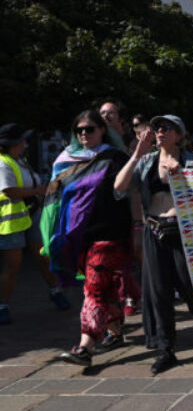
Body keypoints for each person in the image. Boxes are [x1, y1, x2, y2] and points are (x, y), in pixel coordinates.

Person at [114, 114, 193, 374]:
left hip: (184, 232)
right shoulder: (147, 160)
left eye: (166, 127)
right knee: (159, 292)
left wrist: (181, 173)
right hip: (154, 231)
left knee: (190, 284)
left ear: (179, 134)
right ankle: (166, 349)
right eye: (157, 128)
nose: (160, 131)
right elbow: (118, 186)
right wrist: (136, 154)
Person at [45, 110, 132, 366]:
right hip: (79, 236)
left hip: (110, 234)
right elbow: (56, 198)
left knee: (93, 289)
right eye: (79, 129)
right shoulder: (65, 161)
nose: (84, 133)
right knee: (103, 289)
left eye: (89, 128)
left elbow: (129, 192)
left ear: (102, 130)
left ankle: (85, 348)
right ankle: (115, 331)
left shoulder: (115, 157)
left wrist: (136, 228)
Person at [0, 124, 70, 325]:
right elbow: (9, 191)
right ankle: (3, 306)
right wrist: (38, 190)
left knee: (43, 255)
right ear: (11, 144)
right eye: (22, 140)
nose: (25, 143)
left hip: (31, 214)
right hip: (11, 220)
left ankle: (55, 291)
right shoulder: (3, 163)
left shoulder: (20, 160)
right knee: (12, 265)